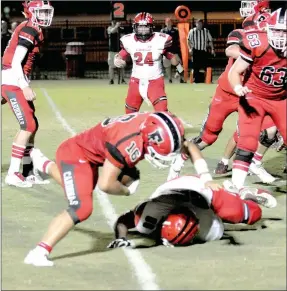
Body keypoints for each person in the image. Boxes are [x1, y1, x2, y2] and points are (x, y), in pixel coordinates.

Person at [23, 111, 221, 266]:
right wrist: (127, 191)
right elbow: (106, 184)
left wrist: (206, 177)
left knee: (81, 187)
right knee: (81, 207)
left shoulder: (159, 126)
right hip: (76, 155)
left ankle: (43, 165)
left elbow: (190, 146)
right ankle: (39, 252)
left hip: (97, 150)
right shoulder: (128, 144)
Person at [167, 12, 276, 184]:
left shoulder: (276, 45)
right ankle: (179, 160)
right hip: (227, 92)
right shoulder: (242, 35)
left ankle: (255, 162)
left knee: (271, 130)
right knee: (207, 138)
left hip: (250, 95)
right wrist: (253, 53)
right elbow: (229, 49)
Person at [107, 175, 276, 249]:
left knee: (247, 213)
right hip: (196, 200)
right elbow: (124, 220)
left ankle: (239, 193)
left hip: (199, 188)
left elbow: (124, 220)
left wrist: (121, 236)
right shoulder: (209, 232)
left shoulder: (149, 218)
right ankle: (232, 192)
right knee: (246, 216)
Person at [228, 7, 287, 189]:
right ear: (268, 29)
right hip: (254, 95)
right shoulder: (257, 43)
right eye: (277, 31)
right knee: (248, 139)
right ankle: (236, 186)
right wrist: (238, 86)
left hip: (280, 99)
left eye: (285, 32)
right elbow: (235, 71)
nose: (281, 37)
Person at [1, 0, 54, 187]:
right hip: (12, 80)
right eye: (42, 12)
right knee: (28, 125)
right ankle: (13, 173)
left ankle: (27, 171)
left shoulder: (34, 28)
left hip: (12, 79)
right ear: (31, 12)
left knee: (32, 125)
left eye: (47, 12)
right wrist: (24, 86)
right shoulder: (30, 28)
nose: (46, 16)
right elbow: (16, 62)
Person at [114, 12, 184, 114]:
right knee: (129, 113)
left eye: (145, 27)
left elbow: (171, 56)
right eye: (140, 27)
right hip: (136, 81)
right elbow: (121, 55)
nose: (143, 30)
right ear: (135, 27)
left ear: (151, 27)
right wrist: (117, 59)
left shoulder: (160, 40)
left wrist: (178, 66)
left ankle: (167, 124)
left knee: (162, 110)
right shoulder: (129, 41)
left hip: (155, 81)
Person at [187, 19, 215, 83]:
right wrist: (190, 48)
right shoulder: (192, 31)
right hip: (196, 51)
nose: (199, 25)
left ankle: (209, 80)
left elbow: (210, 41)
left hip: (203, 51)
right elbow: (188, 41)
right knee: (195, 67)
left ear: (202, 24)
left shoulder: (206, 31)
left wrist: (212, 49)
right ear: (196, 24)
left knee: (207, 66)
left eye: (200, 23)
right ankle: (195, 80)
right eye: (198, 23)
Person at [161, 18, 185, 83]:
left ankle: (181, 78)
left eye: (170, 22)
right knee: (167, 66)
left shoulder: (176, 30)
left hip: (174, 51)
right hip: (166, 52)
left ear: (172, 23)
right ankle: (170, 79)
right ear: (165, 23)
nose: (168, 23)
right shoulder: (162, 31)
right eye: (167, 22)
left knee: (179, 64)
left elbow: (181, 38)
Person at [107, 20, 126, 85]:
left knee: (121, 65)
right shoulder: (109, 28)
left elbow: (123, 38)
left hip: (120, 50)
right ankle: (111, 80)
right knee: (111, 66)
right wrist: (116, 26)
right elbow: (112, 31)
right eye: (113, 21)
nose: (114, 22)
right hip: (112, 50)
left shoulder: (121, 29)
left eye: (116, 21)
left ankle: (122, 79)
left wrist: (119, 28)